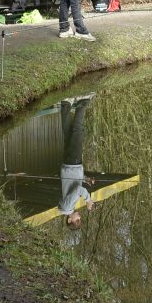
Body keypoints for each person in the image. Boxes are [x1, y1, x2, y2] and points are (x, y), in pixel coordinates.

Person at [58, 94, 96, 226]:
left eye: (77, 220)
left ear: (69, 220)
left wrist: (88, 200)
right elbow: (74, 184)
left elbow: (79, 190)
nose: (79, 217)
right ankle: (65, 103)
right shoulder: (68, 205)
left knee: (77, 131)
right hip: (69, 166)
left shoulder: (68, 206)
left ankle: (82, 101)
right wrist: (85, 179)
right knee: (68, 133)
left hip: (73, 164)